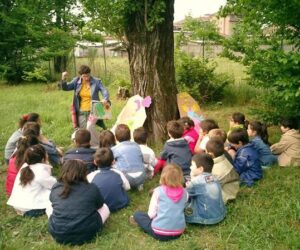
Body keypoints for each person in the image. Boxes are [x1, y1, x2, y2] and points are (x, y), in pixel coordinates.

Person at [48, 159, 110, 245]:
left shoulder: (56, 187)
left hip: (58, 233)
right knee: (105, 207)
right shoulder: (92, 187)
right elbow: (100, 205)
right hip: (88, 233)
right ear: (84, 172)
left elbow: (52, 202)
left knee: (49, 206)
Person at [131, 164, 188, 241]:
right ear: (181, 178)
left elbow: (150, 214)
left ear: (163, 177)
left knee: (138, 214)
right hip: (179, 232)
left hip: (160, 233)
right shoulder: (185, 193)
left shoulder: (158, 191)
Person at [7, 145, 56, 217]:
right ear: (43, 158)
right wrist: (48, 165)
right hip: (31, 210)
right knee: (54, 195)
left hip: (19, 205)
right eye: (46, 154)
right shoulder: (40, 171)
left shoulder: (25, 167)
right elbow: (54, 185)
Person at [59, 65, 111, 129]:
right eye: (84, 76)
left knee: (90, 127)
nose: (86, 78)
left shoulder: (96, 81)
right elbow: (66, 88)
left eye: (88, 75)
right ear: (80, 75)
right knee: (83, 131)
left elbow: (104, 91)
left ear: (90, 74)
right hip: (82, 111)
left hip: (94, 109)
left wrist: (105, 98)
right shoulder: (76, 81)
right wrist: (63, 78)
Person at [185, 153, 226, 225]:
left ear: (200, 169)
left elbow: (185, 195)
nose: (190, 167)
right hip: (220, 214)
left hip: (205, 218)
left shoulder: (196, 182)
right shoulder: (215, 178)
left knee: (183, 205)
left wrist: (191, 178)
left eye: (192, 165)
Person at [87, 148, 130, 212]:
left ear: (95, 162)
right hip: (121, 204)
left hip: (101, 207)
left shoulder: (90, 176)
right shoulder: (118, 173)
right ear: (113, 161)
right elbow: (127, 187)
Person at [111, 124, 146, 189]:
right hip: (142, 176)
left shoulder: (114, 149)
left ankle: (124, 186)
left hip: (127, 178)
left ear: (115, 138)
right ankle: (139, 184)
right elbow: (141, 160)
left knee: (112, 165)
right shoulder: (136, 145)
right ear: (130, 136)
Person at [206, 138, 240, 203]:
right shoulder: (223, 160)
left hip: (227, 197)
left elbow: (209, 185)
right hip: (231, 190)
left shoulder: (217, 169)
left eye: (206, 151)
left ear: (210, 154)